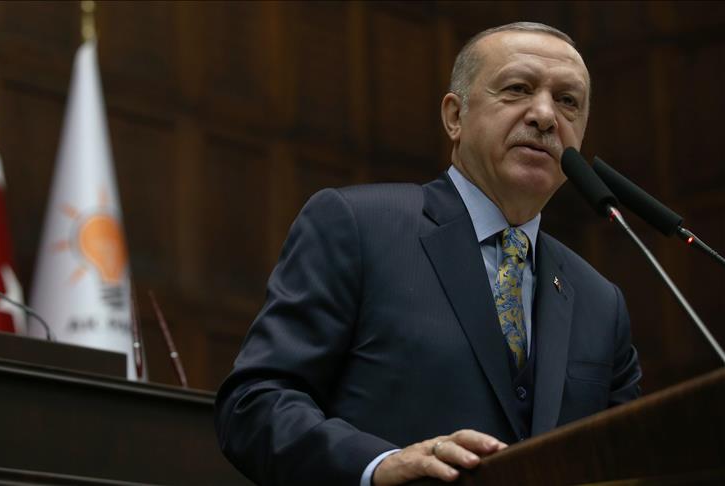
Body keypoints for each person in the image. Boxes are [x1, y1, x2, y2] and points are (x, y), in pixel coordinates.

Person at [214, 22, 642, 486]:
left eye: (567, 101)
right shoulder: (358, 226)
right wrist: (380, 465)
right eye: (518, 89)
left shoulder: (601, 302)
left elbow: (629, 458)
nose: (544, 115)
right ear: (455, 116)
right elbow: (255, 403)